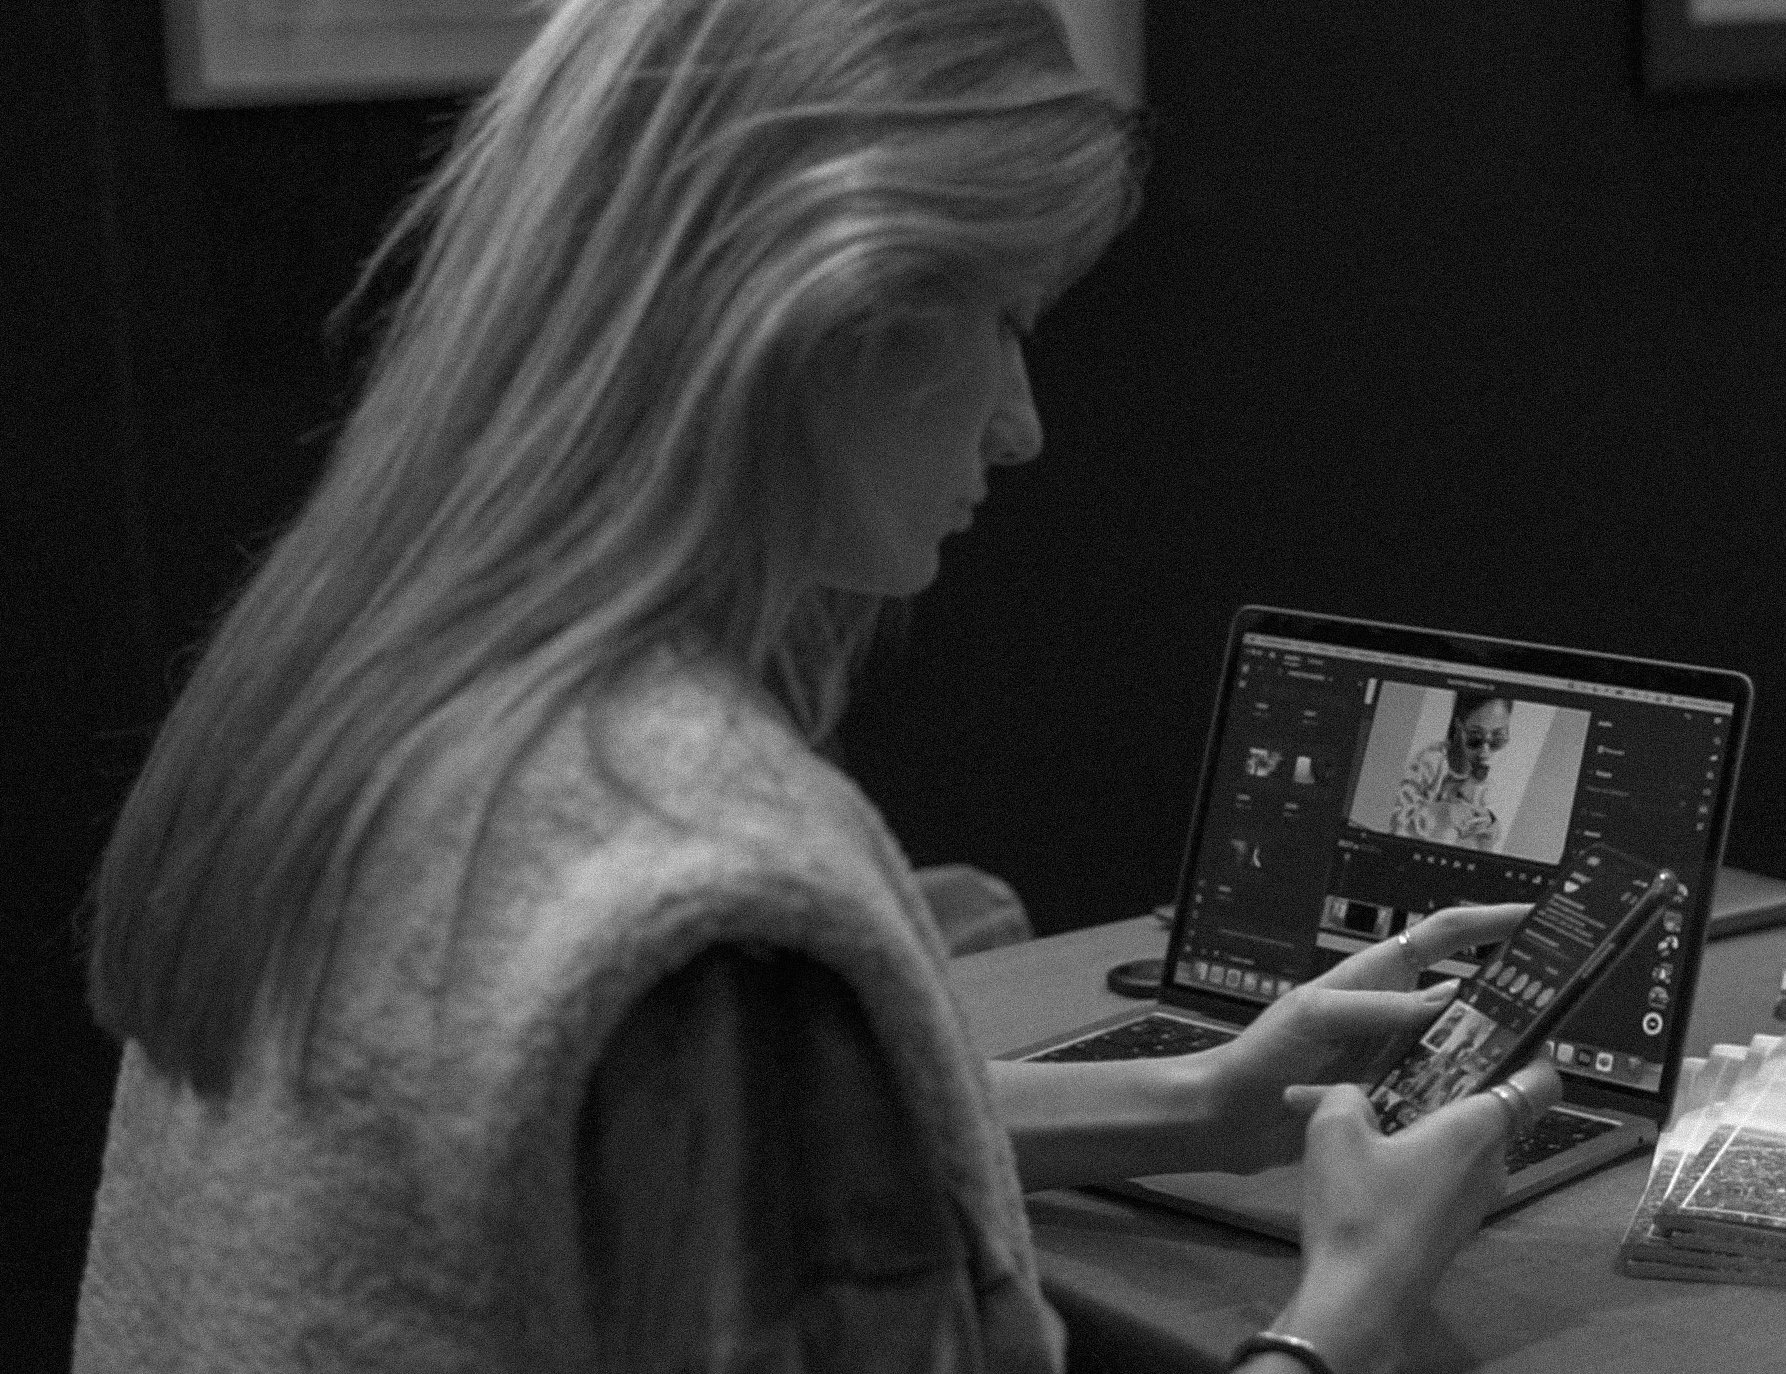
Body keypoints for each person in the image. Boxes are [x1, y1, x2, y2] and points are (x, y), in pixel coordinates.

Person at [72, 3, 1558, 1372]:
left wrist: (1193, 1101)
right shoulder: (708, 902)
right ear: (829, 303)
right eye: (1005, 322)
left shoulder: (355, 694)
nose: (1022, 426)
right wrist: (1345, 1305)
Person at [1392, 690, 1514, 850]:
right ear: (1459, 727)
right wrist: (1444, 812)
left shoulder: (1493, 775)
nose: (1485, 751)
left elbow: (1488, 841)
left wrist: (1489, 822)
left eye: (1498, 738)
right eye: (1475, 737)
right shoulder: (1432, 761)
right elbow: (1395, 818)